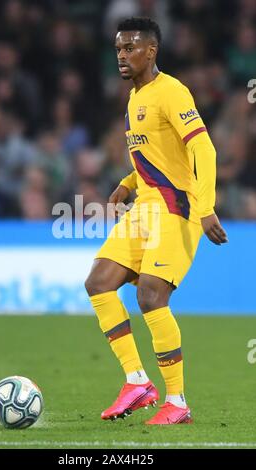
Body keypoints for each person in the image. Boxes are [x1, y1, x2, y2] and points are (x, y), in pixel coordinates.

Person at [85, 17, 228, 425]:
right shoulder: (134, 99)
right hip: (144, 207)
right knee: (98, 284)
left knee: (150, 298)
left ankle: (178, 403)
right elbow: (154, 156)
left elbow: (203, 150)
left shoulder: (172, 92)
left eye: (130, 48)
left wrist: (205, 206)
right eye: (117, 49)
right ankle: (136, 381)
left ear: (151, 51)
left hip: (176, 209)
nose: (122, 56)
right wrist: (127, 183)